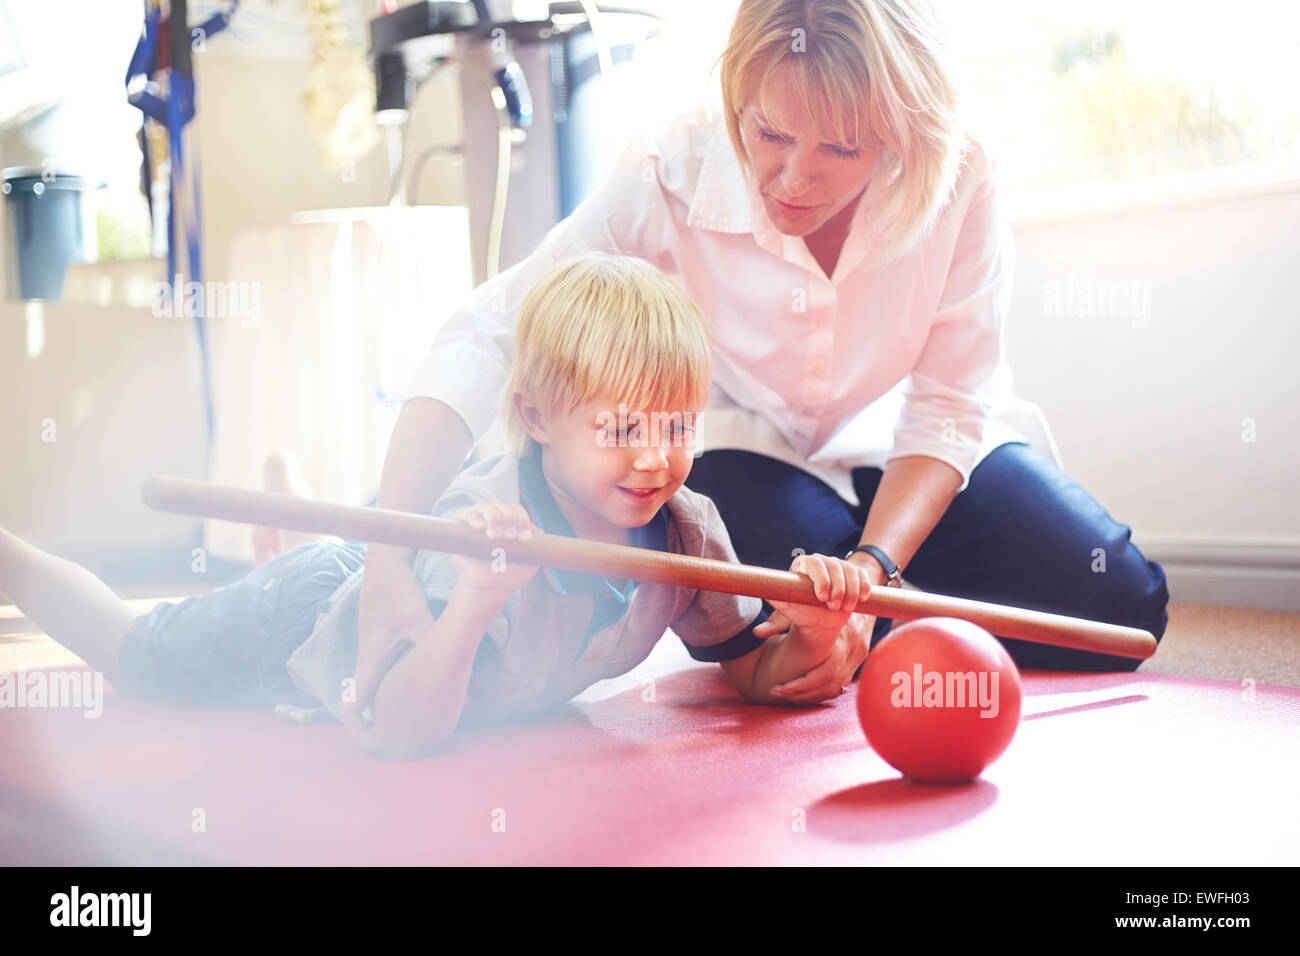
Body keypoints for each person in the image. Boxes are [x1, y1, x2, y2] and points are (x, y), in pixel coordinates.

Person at [342, 0, 1169, 724]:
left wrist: (869, 571)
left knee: (1119, 602)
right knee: (786, 614)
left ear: (900, 129)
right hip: (750, 455)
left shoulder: (961, 172)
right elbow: (489, 331)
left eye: (844, 148)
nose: (794, 178)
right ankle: (865, 611)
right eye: (769, 131)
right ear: (738, 89)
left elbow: (949, 405)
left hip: (909, 448)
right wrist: (388, 558)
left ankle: (880, 606)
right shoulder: (671, 163)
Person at [0, 255, 873, 761]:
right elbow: (402, 736)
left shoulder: (687, 527)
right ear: (534, 417)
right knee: (133, 653)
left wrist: (818, 630)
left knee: (333, 556)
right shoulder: (475, 523)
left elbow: (745, 673)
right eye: (620, 428)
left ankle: (299, 519)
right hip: (310, 620)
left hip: (374, 569)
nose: (656, 455)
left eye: (679, 424)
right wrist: (475, 604)